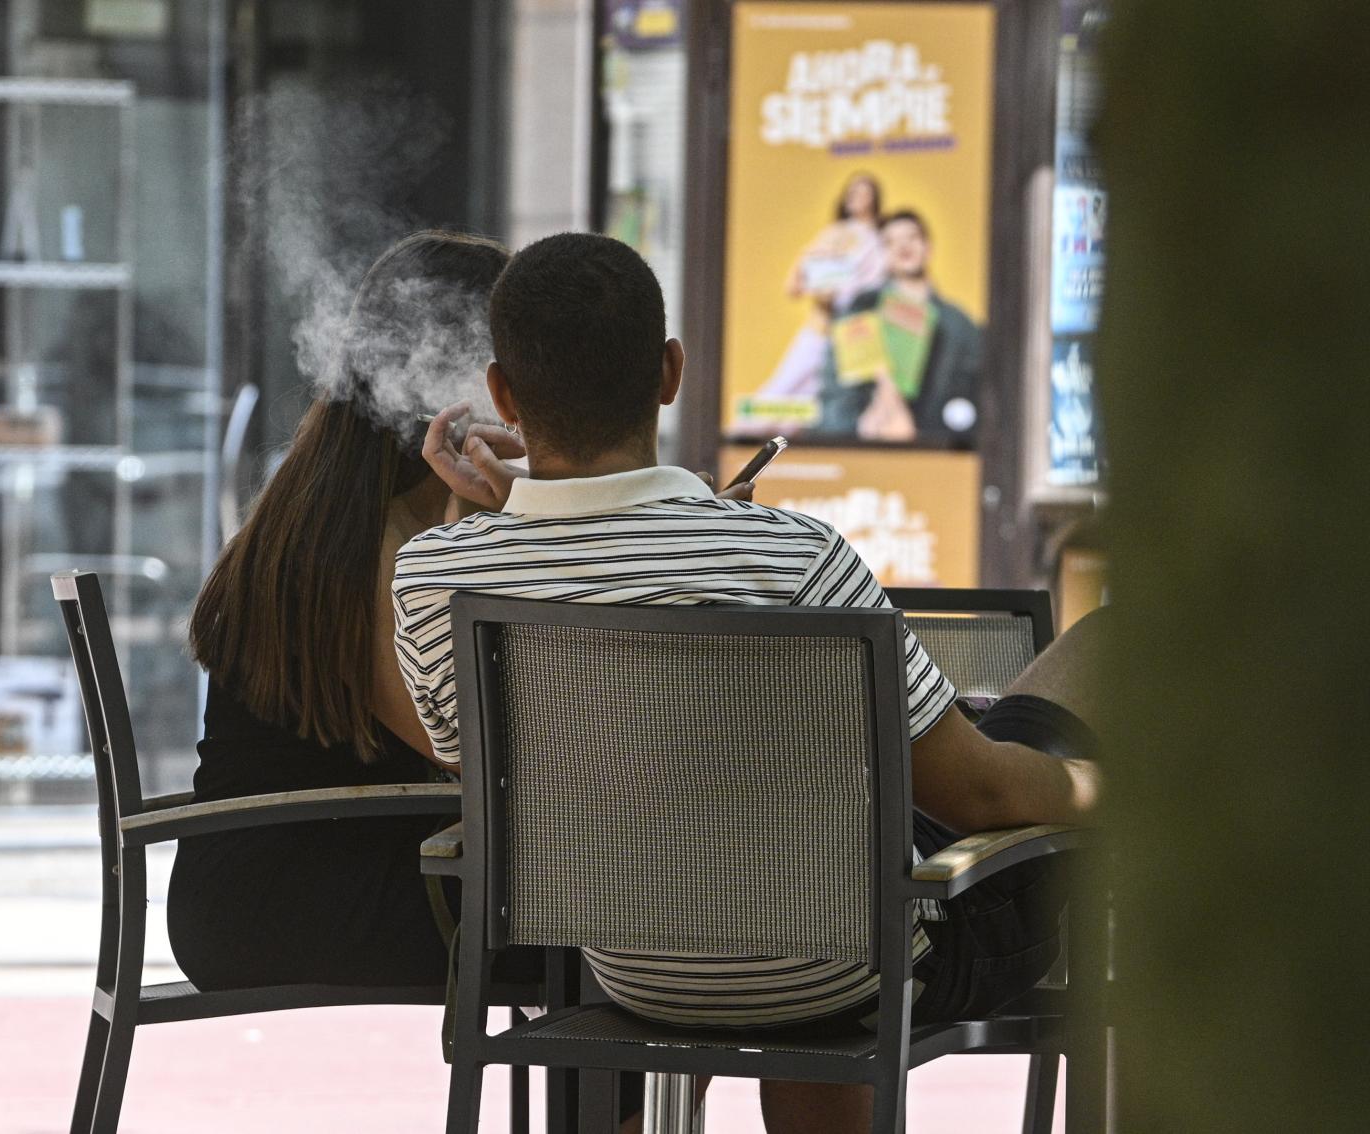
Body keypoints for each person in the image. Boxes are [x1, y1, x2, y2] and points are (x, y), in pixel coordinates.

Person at [393, 232, 1102, 1133]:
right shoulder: (792, 557)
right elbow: (980, 793)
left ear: (502, 392)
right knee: (1105, 650)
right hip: (849, 971)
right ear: (669, 371)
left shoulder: (435, 577)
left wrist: (500, 514)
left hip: (635, 970)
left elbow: (495, 769)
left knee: (815, 857)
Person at [166, 231, 529, 991]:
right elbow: (466, 747)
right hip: (282, 896)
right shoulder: (374, 544)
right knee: (619, 932)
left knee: (620, 921)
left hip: (307, 865)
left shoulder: (333, 509)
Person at [821, 209, 982, 443]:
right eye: (890, 242)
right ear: (882, 254)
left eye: (912, 237)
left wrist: (922, 433)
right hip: (866, 450)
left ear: (928, 247)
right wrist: (859, 426)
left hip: (937, 452)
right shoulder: (860, 312)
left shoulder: (959, 326)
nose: (903, 246)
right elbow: (835, 395)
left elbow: (978, 399)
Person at [748, 173, 889, 420]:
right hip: (824, 328)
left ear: (874, 199)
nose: (856, 198)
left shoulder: (885, 239)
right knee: (783, 390)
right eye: (852, 193)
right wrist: (822, 281)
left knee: (846, 407)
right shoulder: (836, 233)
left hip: (860, 333)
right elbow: (794, 285)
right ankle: (747, 437)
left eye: (863, 193)